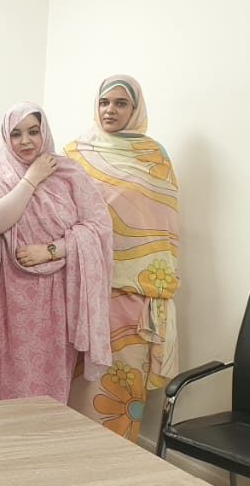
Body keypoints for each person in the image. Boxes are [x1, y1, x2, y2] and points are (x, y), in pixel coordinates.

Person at [0, 102, 113, 405]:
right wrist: (31, 179)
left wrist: (50, 250)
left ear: (44, 132)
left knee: (45, 387)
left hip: (53, 302)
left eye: (33, 132)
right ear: (6, 137)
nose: (26, 141)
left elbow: (98, 228)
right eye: (16, 134)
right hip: (4, 300)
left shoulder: (69, 174)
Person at [65, 76, 180, 442]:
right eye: (104, 102)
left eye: (120, 103)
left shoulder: (154, 158)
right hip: (83, 287)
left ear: (135, 109)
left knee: (122, 388)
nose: (110, 110)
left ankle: (116, 465)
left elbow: (162, 224)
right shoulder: (74, 154)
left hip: (133, 294)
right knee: (75, 385)